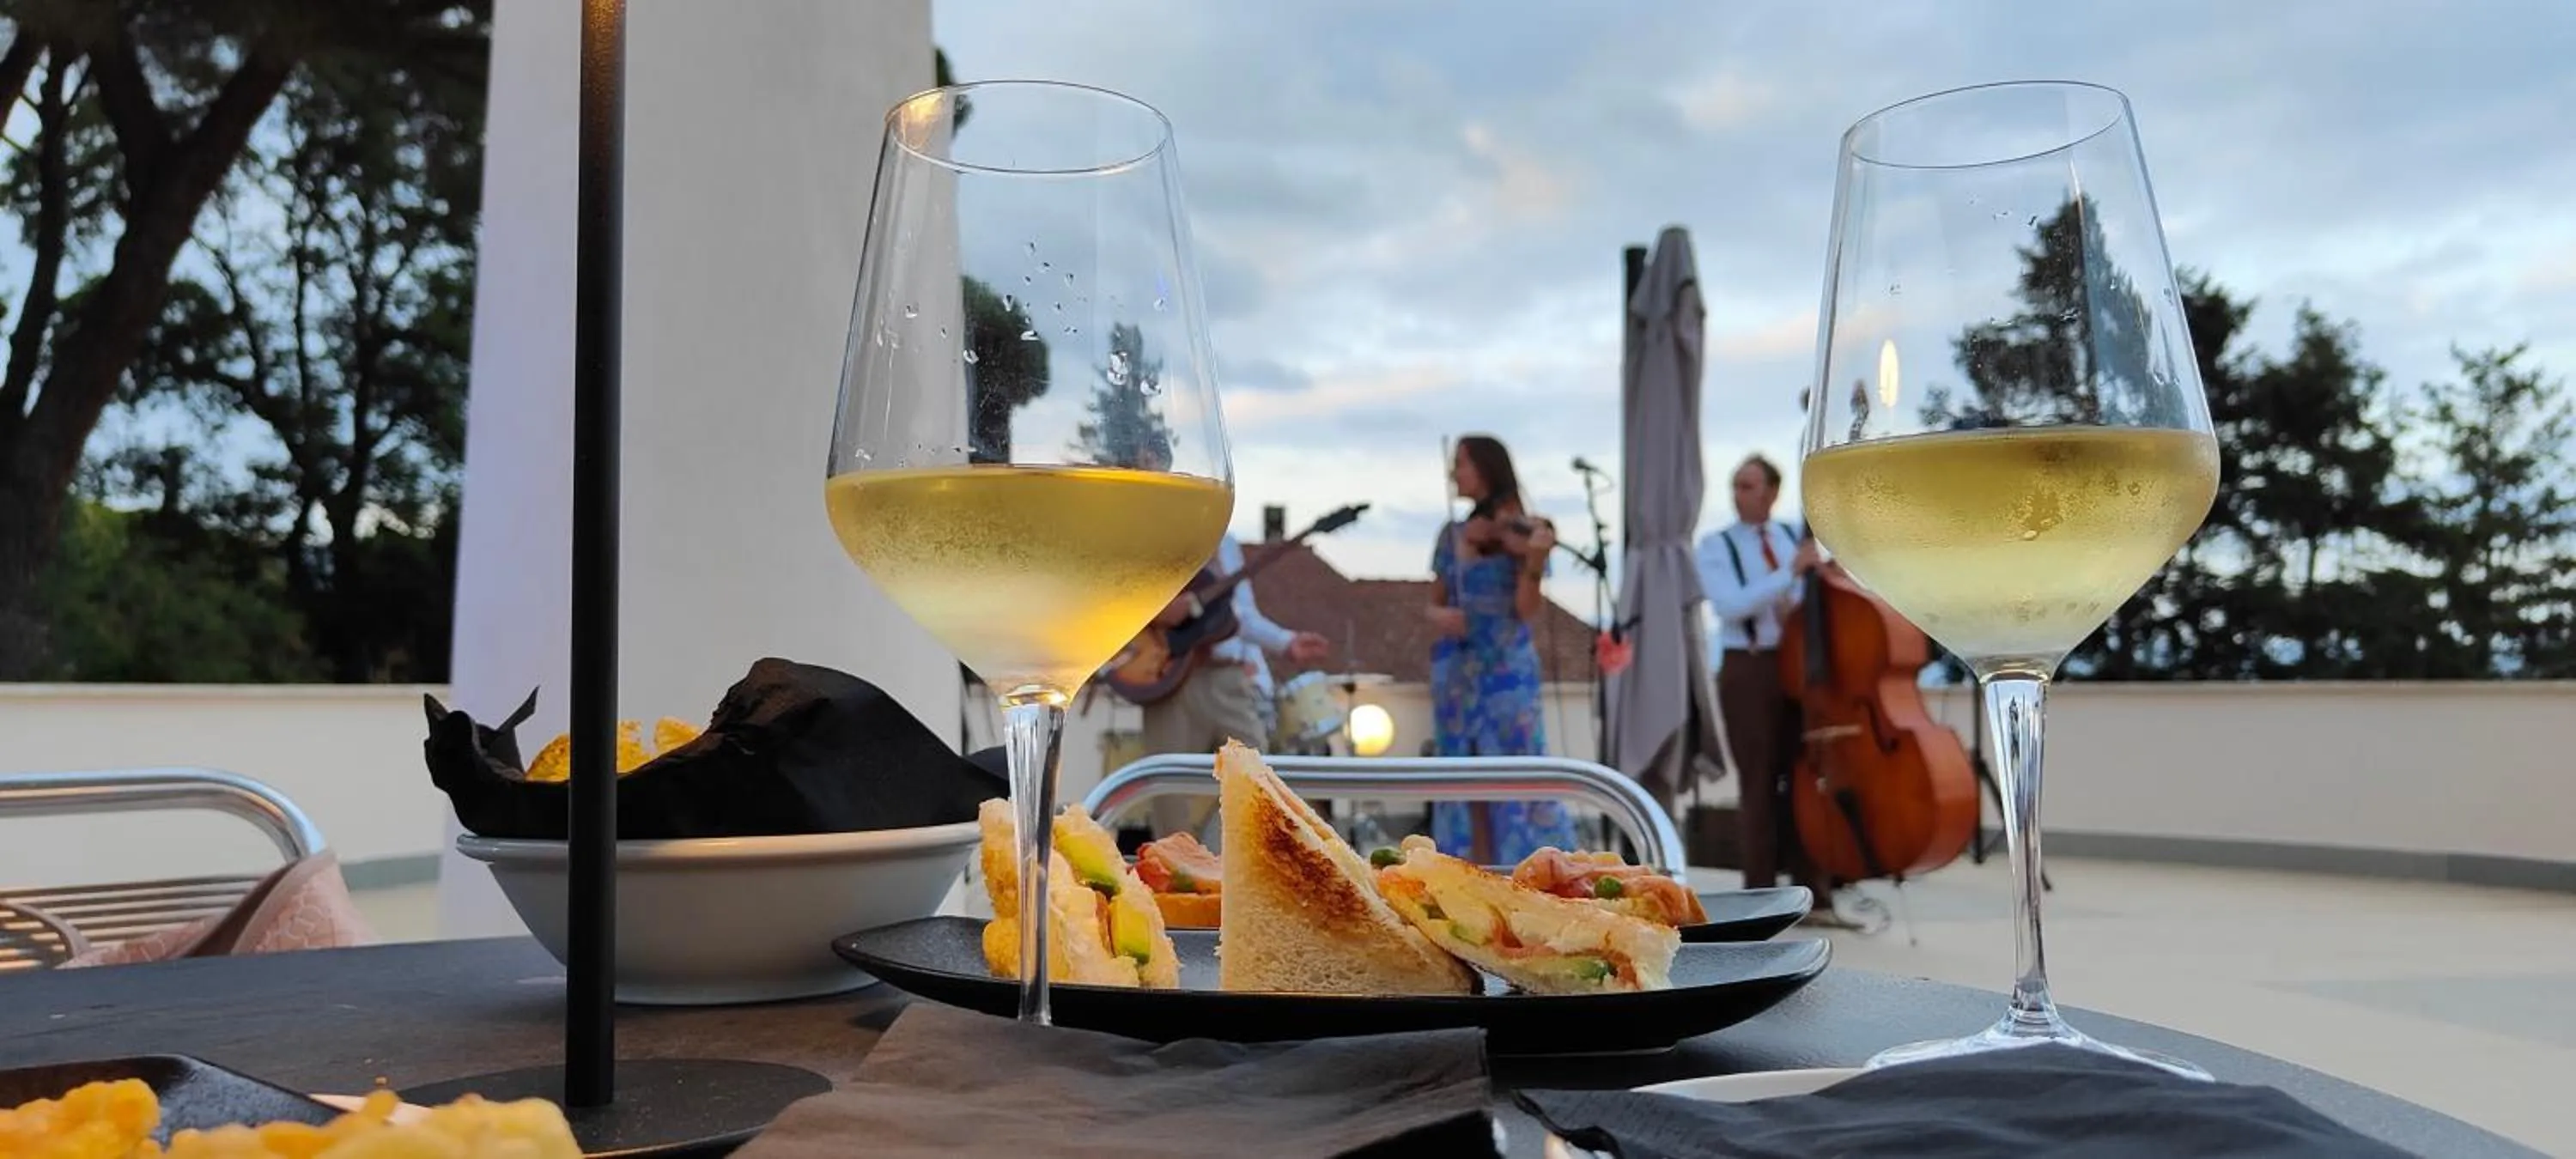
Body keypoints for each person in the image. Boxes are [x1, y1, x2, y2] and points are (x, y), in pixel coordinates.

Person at [1425, 434, 1581, 865]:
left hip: (1505, 672)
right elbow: (1432, 604)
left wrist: (1532, 562)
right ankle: (1470, 868)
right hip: (1457, 669)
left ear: (1487, 469)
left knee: (1514, 772)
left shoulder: (1522, 532)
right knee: (1462, 776)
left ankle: (1528, 869)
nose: (1454, 472)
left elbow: (1526, 610)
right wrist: (1442, 617)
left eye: (1463, 463)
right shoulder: (1452, 533)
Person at [1695, 453, 1832, 901]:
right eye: (1736, 485)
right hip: (1748, 667)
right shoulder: (1717, 545)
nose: (1740, 495)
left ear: (1773, 491)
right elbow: (1730, 605)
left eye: (1750, 485)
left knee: (1806, 776)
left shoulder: (1796, 536)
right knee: (1757, 781)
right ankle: (1759, 892)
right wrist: (1787, 576)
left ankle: (1814, 888)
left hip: (1800, 664)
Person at [1139, 529, 1330, 840]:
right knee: (1169, 789)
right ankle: (1176, 871)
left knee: (1258, 776)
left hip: (1228, 676)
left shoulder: (1225, 543)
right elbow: (1121, 598)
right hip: (1171, 677)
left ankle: (1221, 857)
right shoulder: (1152, 535)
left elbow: (1242, 616)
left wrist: (1286, 642)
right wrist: (1161, 609)